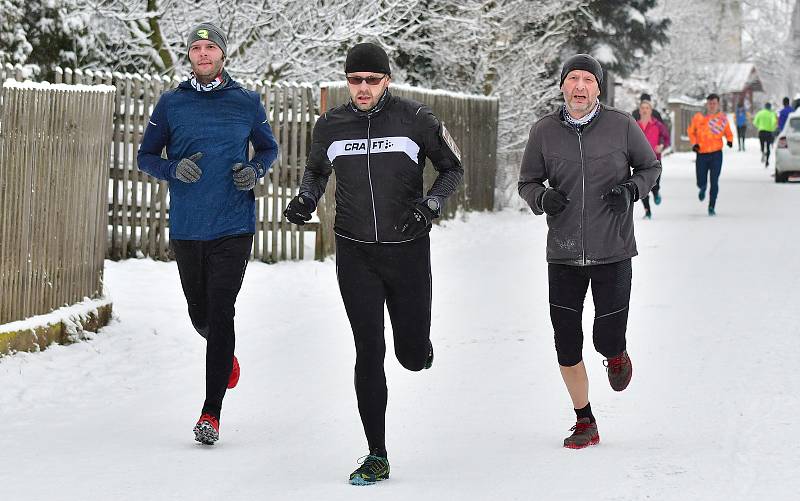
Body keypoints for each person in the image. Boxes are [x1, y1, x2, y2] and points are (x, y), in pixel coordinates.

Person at [283, 42, 463, 485]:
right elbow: (316, 171)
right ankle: (377, 453)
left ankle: (420, 349)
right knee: (369, 350)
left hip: (407, 251)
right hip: (355, 252)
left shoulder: (417, 119)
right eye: (355, 80)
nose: (362, 88)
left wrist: (432, 203)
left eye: (371, 79)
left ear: (387, 79)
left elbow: (452, 168)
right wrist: (305, 198)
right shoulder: (329, 124)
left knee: (409, 356)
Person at [137, 22, 279, 445]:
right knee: (200, 315)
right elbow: (145, 156)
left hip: (233, 225)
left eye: (210, 47)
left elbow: (269, 148)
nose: (203, 54)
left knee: (221, 312)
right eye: (196, 48)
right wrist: (171, 168)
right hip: (187, 225)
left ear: (223, 54)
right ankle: (225, 356)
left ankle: (210, 413)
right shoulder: (171, 104)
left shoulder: (247, 103)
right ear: (190, 55)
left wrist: (254, 170)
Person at [518, 54, 661, 450]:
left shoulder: (621, 125)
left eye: (588, 80)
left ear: (599, 87)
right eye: (573, 79)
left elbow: (650, 168)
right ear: (562, 85)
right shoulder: (544, 131)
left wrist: (631, 191)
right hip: (563, 252)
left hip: (612, 250)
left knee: (605, 337)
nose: (579, 86)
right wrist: (542, 197)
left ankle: (616, 354)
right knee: (566, 342)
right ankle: (585, 420)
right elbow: (527, 181)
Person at [687, 93, 733, 216]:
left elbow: (728, 132)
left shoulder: (722, 119)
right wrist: (694, 143)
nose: (712, 106)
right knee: (701, 179)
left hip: (716, 154)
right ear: (707, 104)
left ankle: (712, 206)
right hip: (701, 153)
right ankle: (702, 187)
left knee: (714, 180)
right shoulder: (698, 117)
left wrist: (729, 140)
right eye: (710, 103)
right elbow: (691, 132)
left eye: (714, 103)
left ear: (718, 104)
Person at [636, 99, 670, 219]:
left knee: (654, 184)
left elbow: (667, 139)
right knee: (642, 186)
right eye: (643, 108)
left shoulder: (658, 125)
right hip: (639, 161)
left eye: (647, 108)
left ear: (651, 110)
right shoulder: (635, 125)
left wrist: (662, 146)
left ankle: (656, 193)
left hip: (655, 160)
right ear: (639, 111)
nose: (645, 110)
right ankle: (648, 211)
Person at [753, 102, 778, 167]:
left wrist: (759, 126)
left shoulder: (760, 113)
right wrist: (773, 128)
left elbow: (755, 122)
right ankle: (767, 161)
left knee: (762, 145)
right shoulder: (772, 113)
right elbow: (774, 122)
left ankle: (763, 152)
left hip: (761, 131)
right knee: (768, 147)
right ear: (770, 107)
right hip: (769, 132)